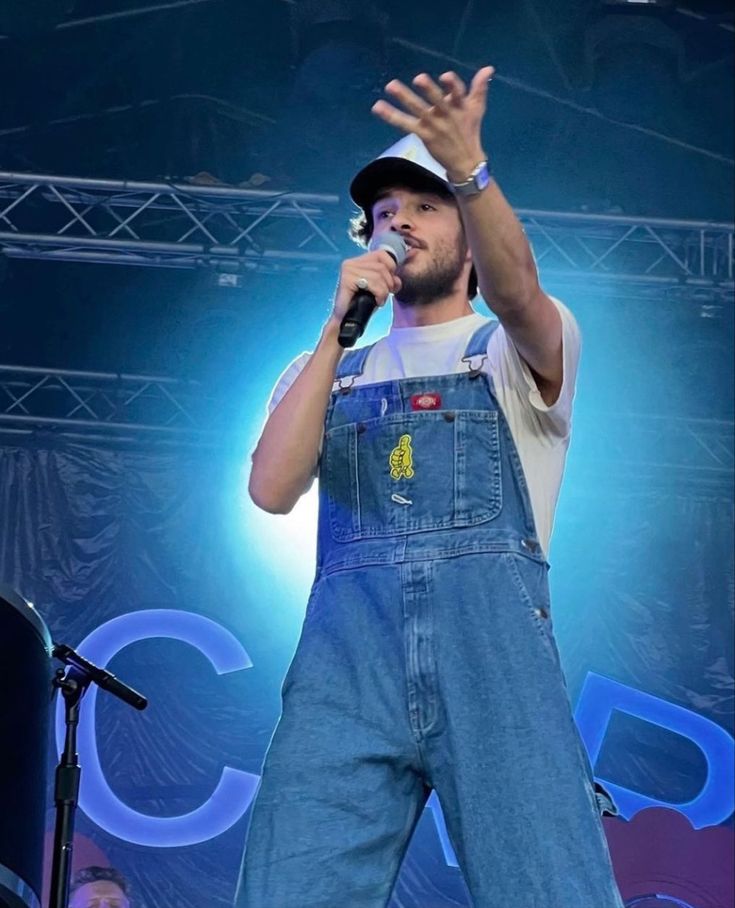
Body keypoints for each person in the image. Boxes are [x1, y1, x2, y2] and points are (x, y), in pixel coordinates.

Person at [236, 66, 624, 907]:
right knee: (287, 889)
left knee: (548, 891)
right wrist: (334, 333)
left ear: (467, 232)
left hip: (494, 667)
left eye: (423, 205)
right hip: (347, 671)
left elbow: (520, 293)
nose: (398, 223)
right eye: (382, 213)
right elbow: (270, 490)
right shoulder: (324, 369)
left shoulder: (505, 351)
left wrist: (469, 170)